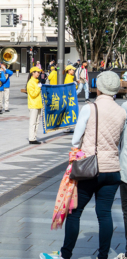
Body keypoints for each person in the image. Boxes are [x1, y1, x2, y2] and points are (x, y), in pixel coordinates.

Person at [42, 71, 126, 259]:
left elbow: (75, 140)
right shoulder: (122, 112)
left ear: (98, 88)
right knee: (104, 214)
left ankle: (65, 254)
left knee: (74, 213)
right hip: (112, 170)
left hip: (89, 168)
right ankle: (103, 256)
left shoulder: (90, 108)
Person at [27, 67, 43, 145]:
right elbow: (33, 94)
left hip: (38, 104)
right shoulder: (30, 82)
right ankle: (31, 138)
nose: (38, 74)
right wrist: (38, 88)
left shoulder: (36, 82)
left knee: (37, 122)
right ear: (33, 72)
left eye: (39, 73)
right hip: (33, 105)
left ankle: (34, 137)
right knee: (33, 122)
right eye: (37, 72)